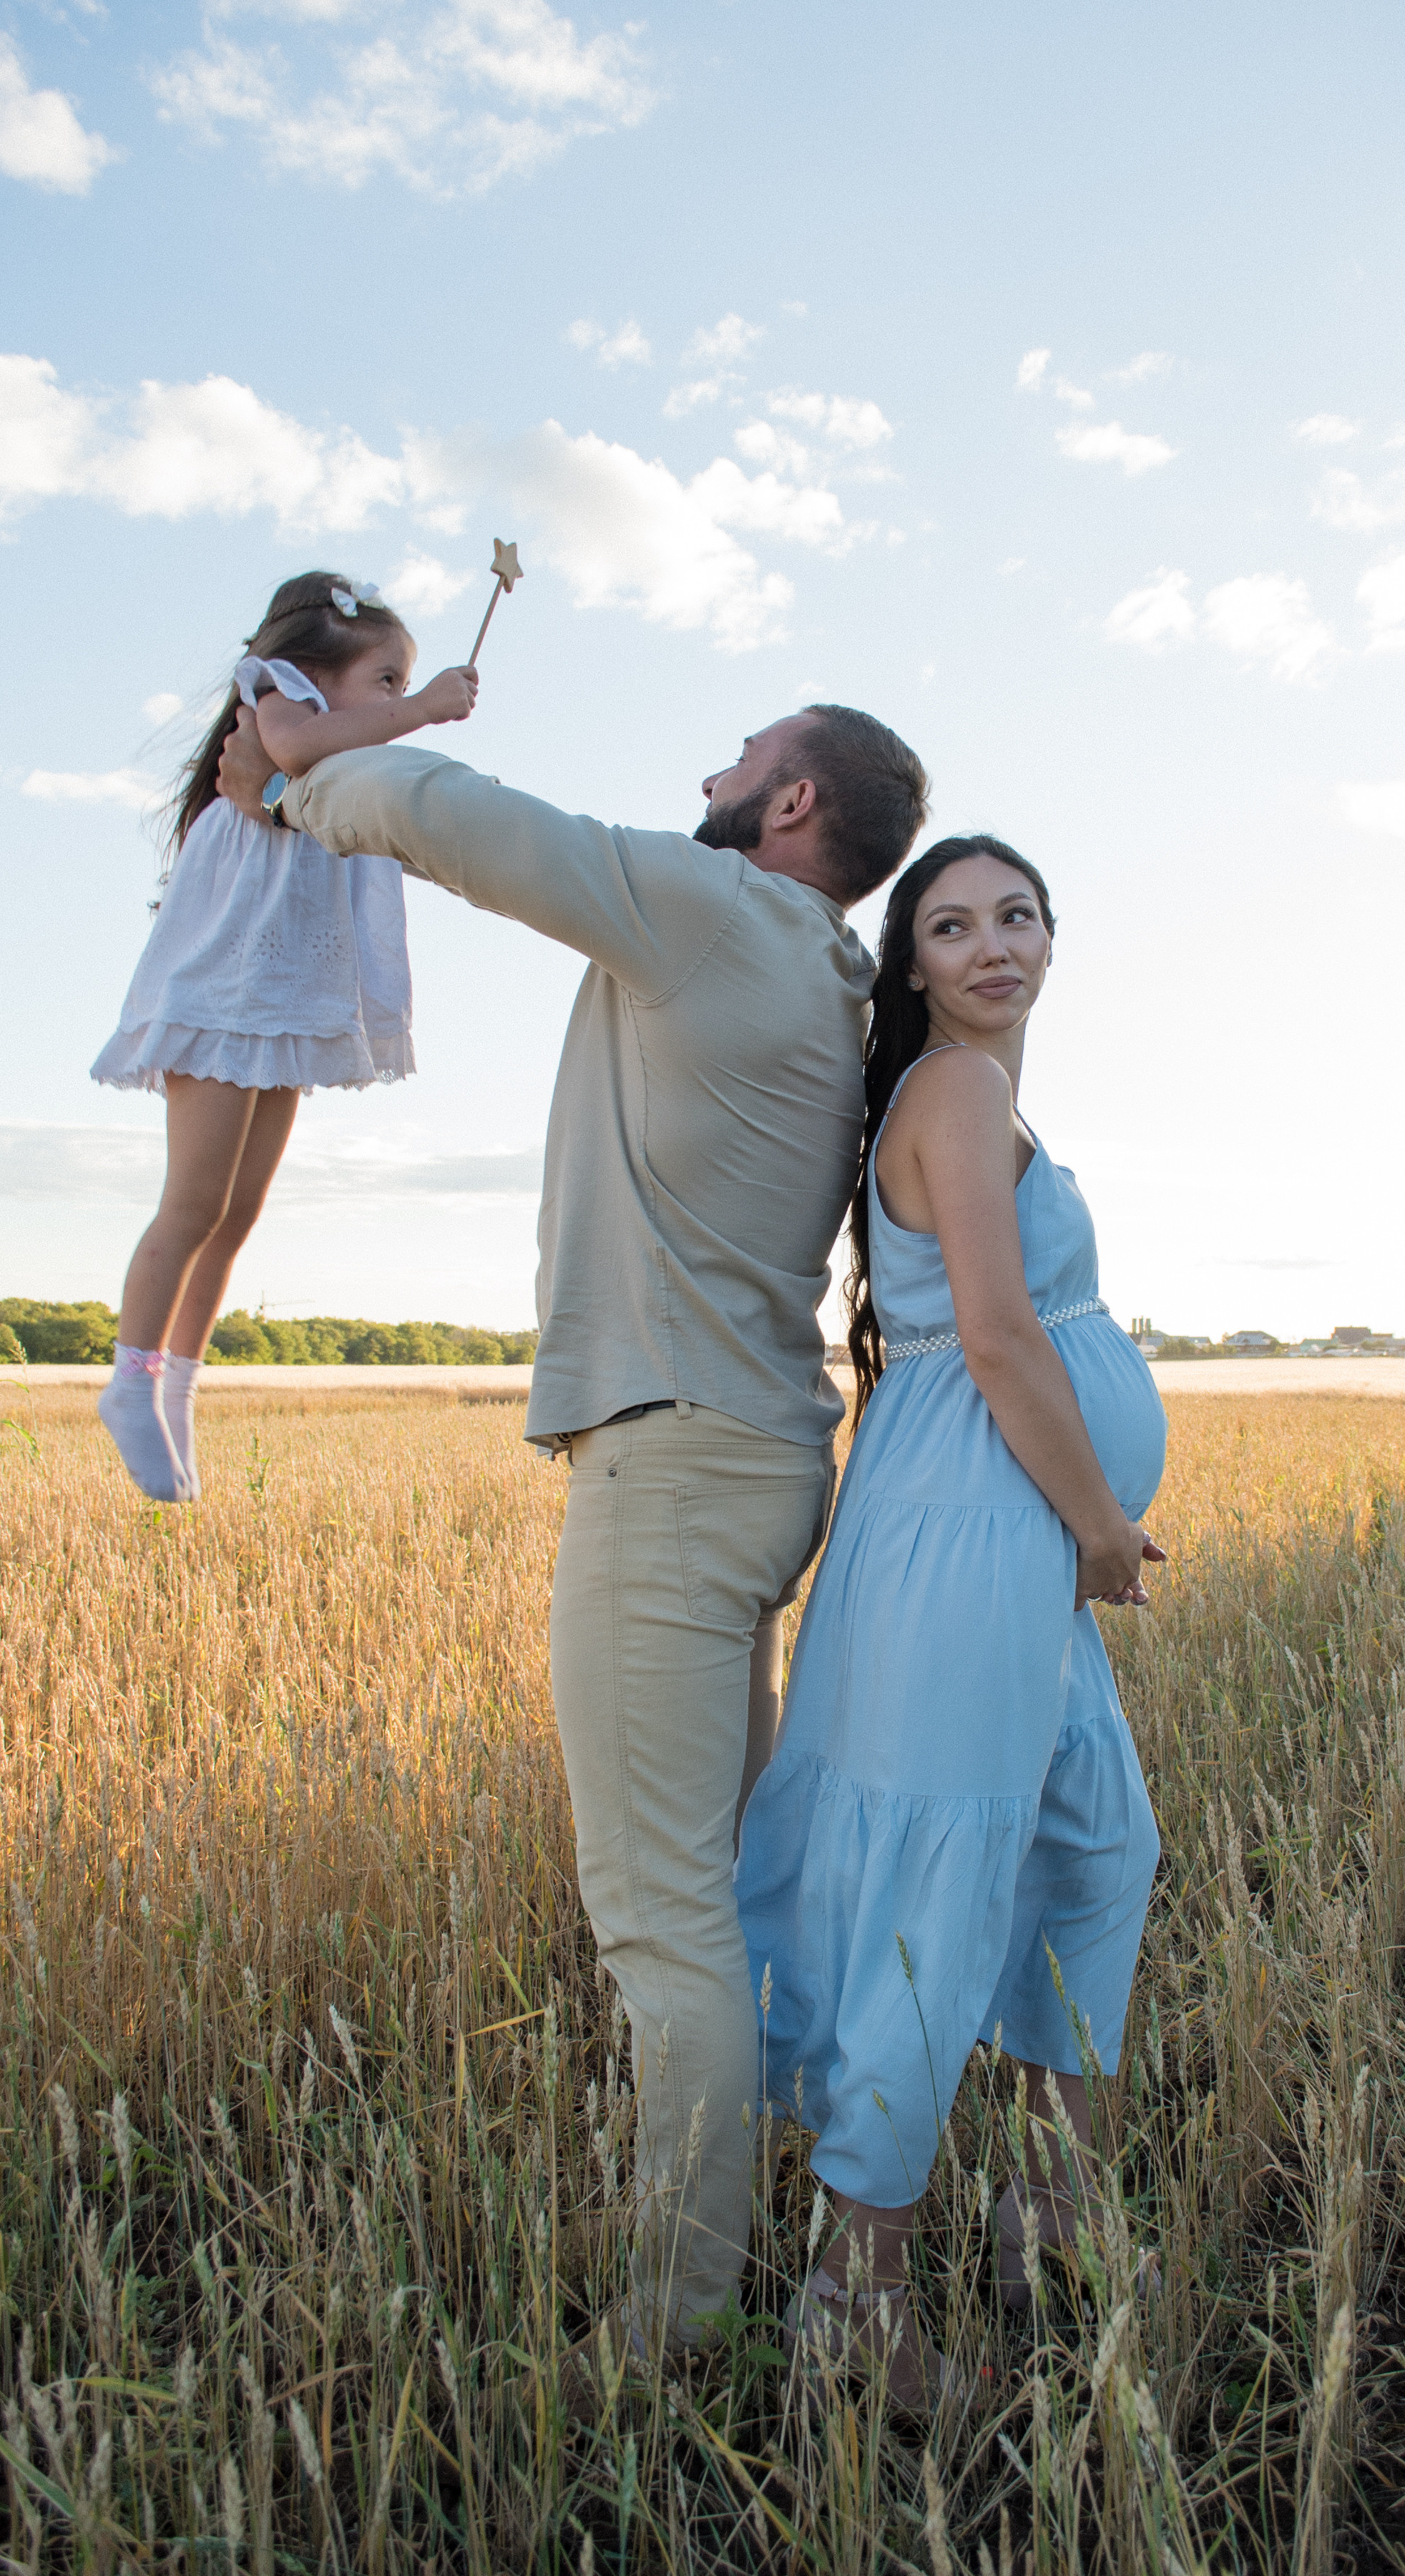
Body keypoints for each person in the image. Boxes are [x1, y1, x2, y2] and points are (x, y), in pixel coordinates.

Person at [214, 698, 929, 2360]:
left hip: (673, 1473)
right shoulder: (832, 981)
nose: (704, 780)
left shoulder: (712, 911)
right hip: (751, 1465)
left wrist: (295, 774)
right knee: (719, 1905)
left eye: (735, 758)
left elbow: (458, 816)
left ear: (791, 799)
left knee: (660, 1919)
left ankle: (668, 2327)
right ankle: (748, 2249)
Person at [734, 834, 1167, 2411]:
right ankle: (860, 2307)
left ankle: (1045, 2205)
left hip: (991, 1535)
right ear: (908, 962)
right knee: (929, 1906)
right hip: (982, 1534)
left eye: (1017, 916)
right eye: (951, 925)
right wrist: (1104, 1531)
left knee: (1098, 1846)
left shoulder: (983, 1096)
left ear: (1055, 936)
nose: (992, 945)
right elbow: (993, 1334)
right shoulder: (959, 1095)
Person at [91, 572, 478, 1501]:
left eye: (400, 684)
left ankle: (180, 1386)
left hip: (285, 998)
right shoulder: (282, 698)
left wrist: (402, 722)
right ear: (316, 668)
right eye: (384, 678)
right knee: (192, 1203)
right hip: (228, 991)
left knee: (236, 1216)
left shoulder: (330, 767)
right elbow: (299, 744)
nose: (393, 698)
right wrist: (421, 711)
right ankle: (130, 1381)